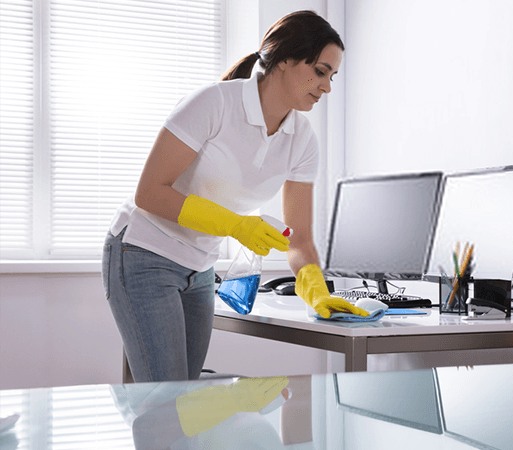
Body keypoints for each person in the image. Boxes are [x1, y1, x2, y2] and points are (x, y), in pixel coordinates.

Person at [101, 10, 367, 383]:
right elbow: (149, 193)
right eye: (321, 71)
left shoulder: (303, 140)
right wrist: (235, 225)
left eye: (332, 76)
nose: (327, 86)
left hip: (200, 268)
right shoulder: (214, 103)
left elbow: (301, 239)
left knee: (181, 397)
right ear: (287, 59)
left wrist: (317, 292)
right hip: (143, 254)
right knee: (166, 401)